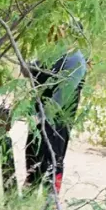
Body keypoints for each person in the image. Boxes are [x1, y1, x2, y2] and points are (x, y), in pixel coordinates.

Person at [24, 45, 87, 195]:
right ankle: (29, 195)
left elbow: (63, 94)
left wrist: (43, 117)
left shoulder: (75, 60)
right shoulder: (51, 53)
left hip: (58, 120)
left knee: (52, 158)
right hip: (38, 116)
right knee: (33, 154)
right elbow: (31, 72)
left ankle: (50, 200)